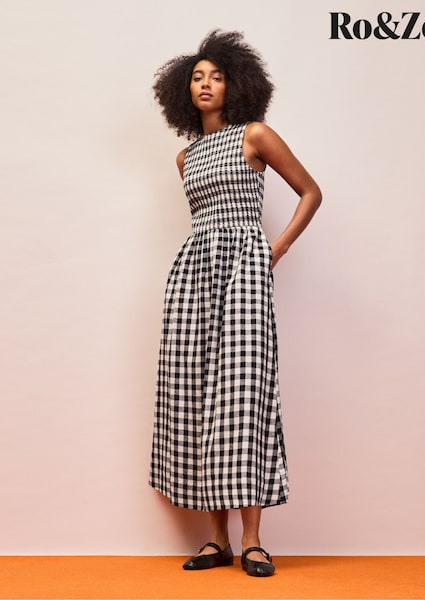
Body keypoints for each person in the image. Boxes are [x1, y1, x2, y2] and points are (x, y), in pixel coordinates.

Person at [149, 30, 322, 577]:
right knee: (198, 398)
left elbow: (311, 191)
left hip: (245, 269)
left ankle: (253, 541)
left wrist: (277, 248)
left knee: (243, 398)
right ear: (182, 90)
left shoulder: (255, 135)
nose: (205, 84)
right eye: (197, 77)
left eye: (216, 76)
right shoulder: (186, 156)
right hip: (193, 274)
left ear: (237, 83)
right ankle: (216, 540)